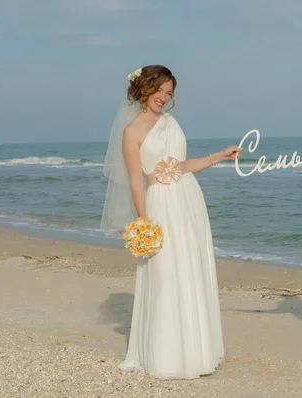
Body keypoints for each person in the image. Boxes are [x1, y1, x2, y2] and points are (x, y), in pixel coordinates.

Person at [100, 65, 241, 379]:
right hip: (160, 204)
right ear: (143, 88)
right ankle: (167, 357)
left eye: (169, 93)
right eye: (159, 90)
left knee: (191, 268)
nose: (163, 98)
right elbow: (136, 182)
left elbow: (182, 166)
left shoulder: (171, 122)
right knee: (166, 273)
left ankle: (198, 352)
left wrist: (219, 155)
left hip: (189, 199)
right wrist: (145, 222)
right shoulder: (131, 132)